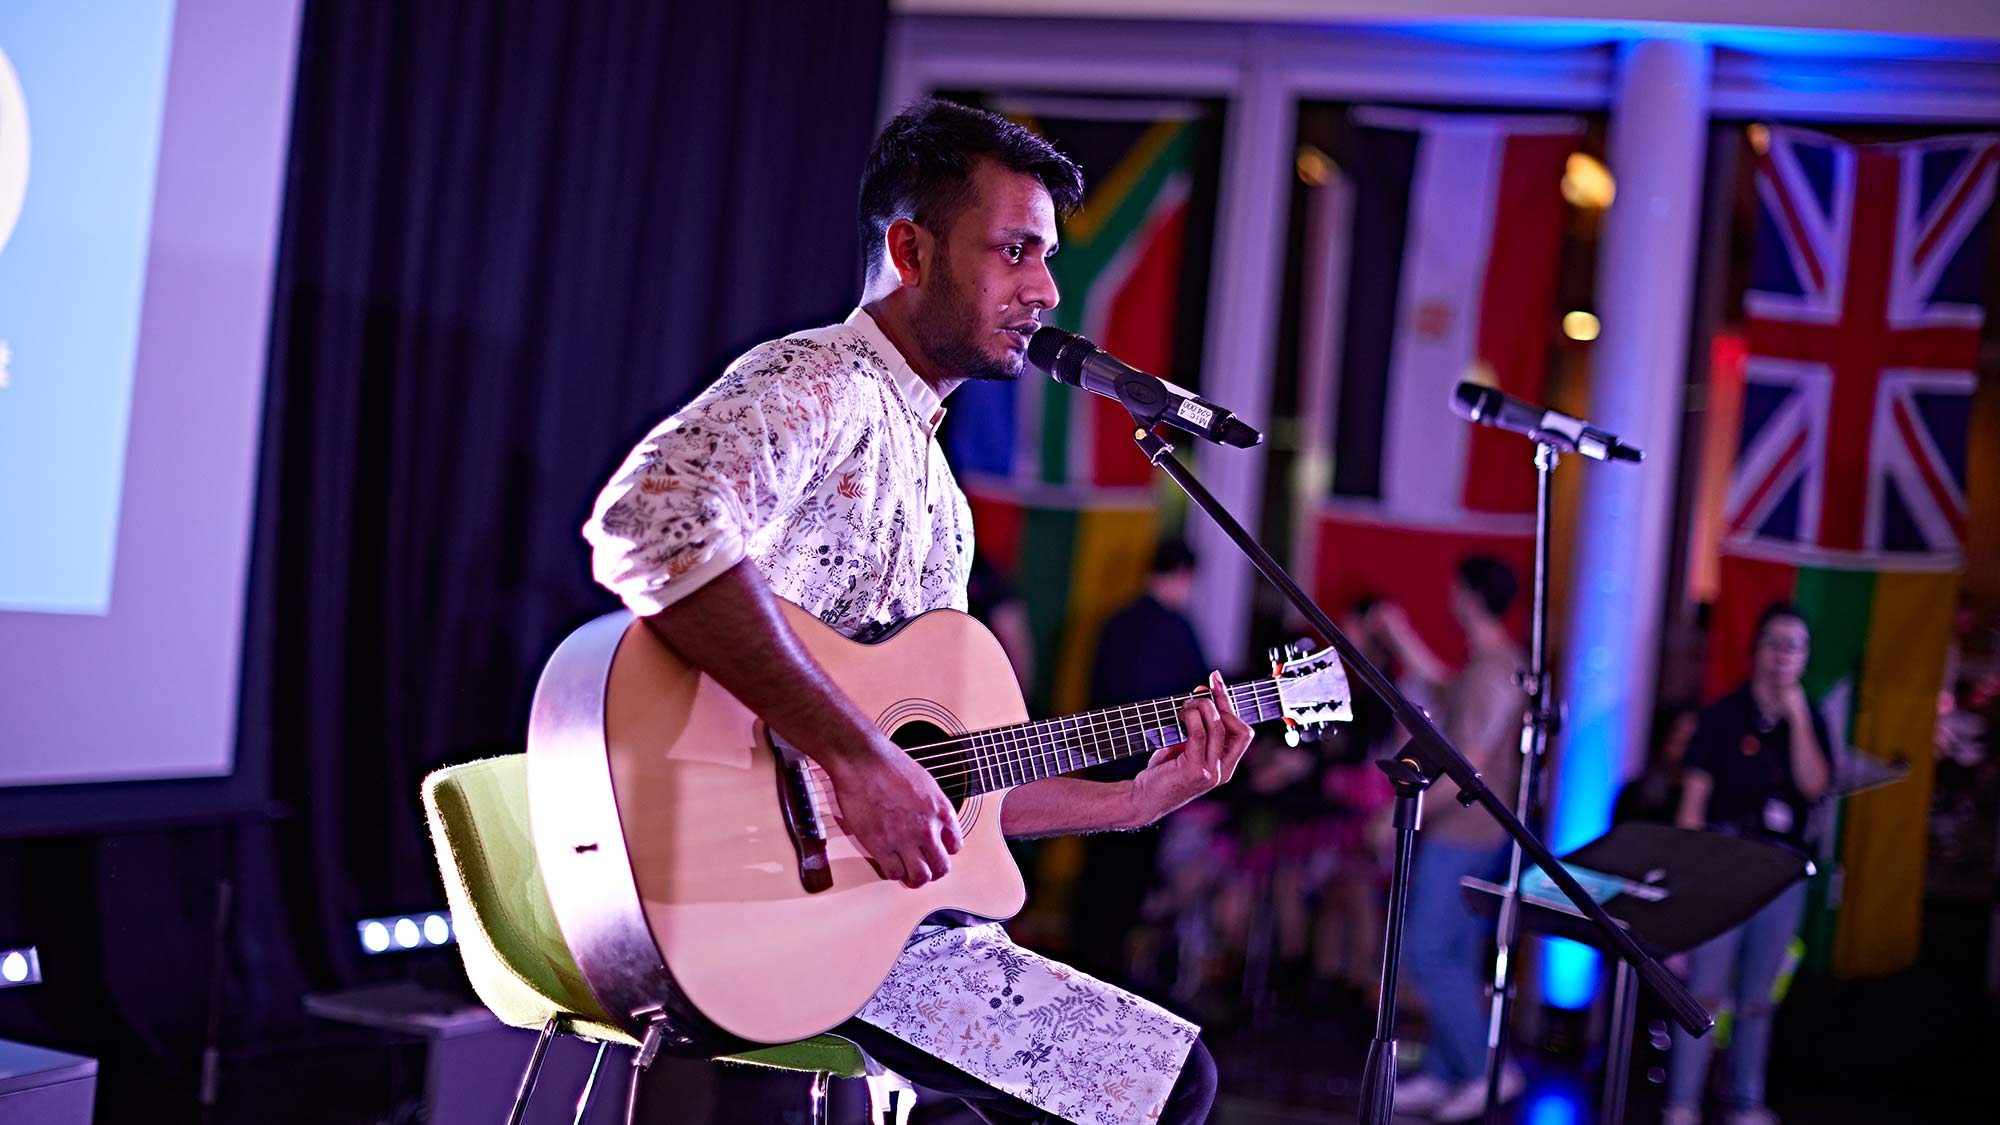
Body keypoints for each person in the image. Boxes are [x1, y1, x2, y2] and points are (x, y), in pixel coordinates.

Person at [583, 98, 1250, 1125]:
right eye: (1016, 251)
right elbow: (646, 520)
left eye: (1048, 257)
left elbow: (943, 790)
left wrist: (1130, 804)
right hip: (754, 904)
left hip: (891, 926)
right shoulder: (820, 380)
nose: (1048, 289)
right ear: (911, 249)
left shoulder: (936, 485)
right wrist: (854, 757)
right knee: (1159, 1083)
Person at [1369, 558, 1527, 1121]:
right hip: (1469, 830)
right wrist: (1399, 635)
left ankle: (1486, 1073)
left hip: (1466, 831)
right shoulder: (1486, 665)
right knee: (1453, 954)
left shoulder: (1495, 670)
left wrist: (1404, 816)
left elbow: (1469, 764)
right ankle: (1447, 1071)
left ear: (1470, 596)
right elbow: (1439, 689)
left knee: (1427, 951)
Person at [1663, 603, 1832, 1125]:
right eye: (1775, 643)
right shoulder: (1721, 716)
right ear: (1756, 650)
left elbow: (1815, 786)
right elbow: (1693, 802)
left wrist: (1798, 714)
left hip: (1782, 870)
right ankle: (1683, 1102)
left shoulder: (1811, 718)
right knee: (1705, 993)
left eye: (1795, 646)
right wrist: (1685, 883)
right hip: (1723, 865)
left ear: (1805, 658)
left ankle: (1745, 1100)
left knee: (1760, 997)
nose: (1784, 656)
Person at [1069, 537, 1210, 984]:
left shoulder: (1114, 624)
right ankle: (1110, 979)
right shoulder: (1181, 633)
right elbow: (1199, 707)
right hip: (1149, 777)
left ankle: (1076, 970)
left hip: (1099, 769)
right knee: (1128, 884)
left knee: (1093, 880)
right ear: (1185, 576)